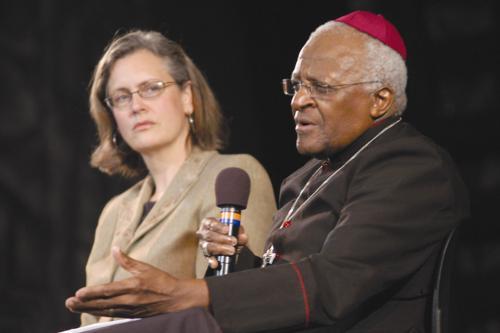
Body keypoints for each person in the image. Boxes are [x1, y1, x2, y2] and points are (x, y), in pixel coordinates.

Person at [66, 11, 470, 332]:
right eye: (295, 86)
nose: (299, 101)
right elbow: (282, 281)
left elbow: (334, 284)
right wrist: (239, 258)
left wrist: (191, 293)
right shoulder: (306, 177)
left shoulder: (410, 166)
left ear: (379, 100)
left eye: (320, 88)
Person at [79, 30, 276, 326]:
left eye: (151, 88)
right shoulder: (114, 211)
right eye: (121, 97)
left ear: (187, 97)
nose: (136, 106)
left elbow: (239, 305)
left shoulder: (232, 174)